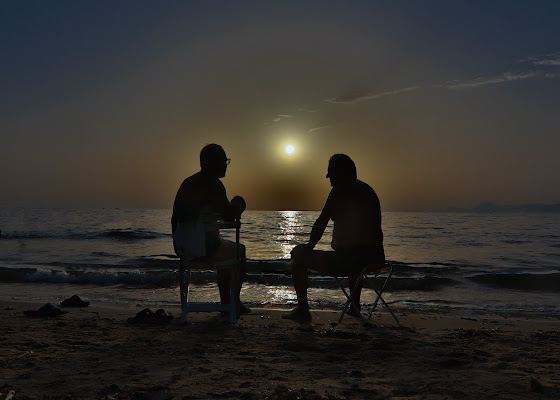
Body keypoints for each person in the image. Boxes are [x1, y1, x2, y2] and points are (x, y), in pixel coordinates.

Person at [283, 154, 385, 322]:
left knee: (298, 254)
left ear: (341, 172)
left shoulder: (340, 190)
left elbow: (322, 222)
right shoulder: (367, 190)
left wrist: (308, 247)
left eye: (330, 172)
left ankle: (302, 309)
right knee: (354, 259)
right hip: (376, 258)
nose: (328, 177)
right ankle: (355, 306)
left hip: (351, 260)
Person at [171, 143, 250, 315]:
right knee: (239, 251)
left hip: (182, 247)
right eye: (222, 161)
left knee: (222, 246)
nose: (225, 165)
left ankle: (225, 303)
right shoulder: (213, 184)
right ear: (209, 164)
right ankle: (233, 302)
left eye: (226, 161)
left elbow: (176, 217)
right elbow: (230, 215)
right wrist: (239, 202)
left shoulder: (188, 183)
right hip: (204, 247)